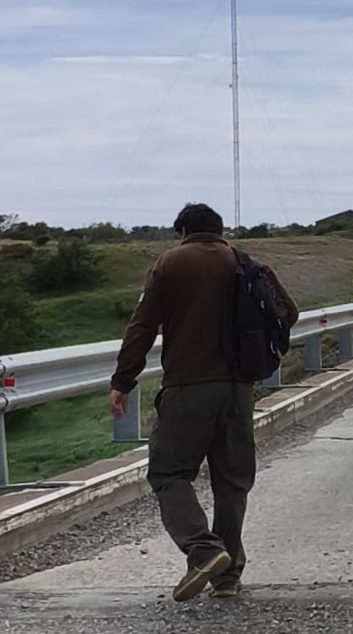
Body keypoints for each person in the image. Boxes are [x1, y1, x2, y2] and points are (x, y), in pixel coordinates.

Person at [109, 202, 299, 602]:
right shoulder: (246, 264)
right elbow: (289, 313)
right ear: (220, 230)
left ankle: (203, 550)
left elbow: (142, 327)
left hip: (188, 387)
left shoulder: (170, 263)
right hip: (239, 389)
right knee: (232, 481)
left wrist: (123, 381)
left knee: (168, 473)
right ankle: (227, 577)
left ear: (182, 232)